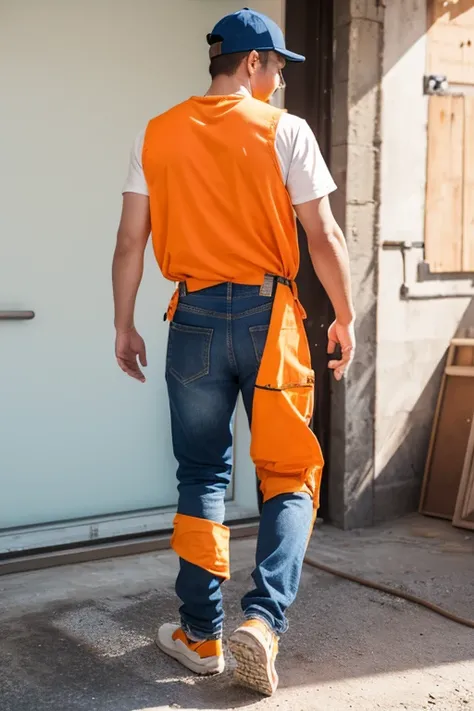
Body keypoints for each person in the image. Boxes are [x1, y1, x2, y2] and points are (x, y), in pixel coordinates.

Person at [112, 7, 355, 697]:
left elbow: (130, 241)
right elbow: (324, 235)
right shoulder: (287, 132)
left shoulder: (154, 133)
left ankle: (201, 633)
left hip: (191, 316)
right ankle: (263, 621)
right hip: (269, 317)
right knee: (287, 472)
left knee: (201, 476)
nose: (279, 80)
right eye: (277, 66)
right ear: (251, 63)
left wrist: (123, 322)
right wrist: (346, 315)